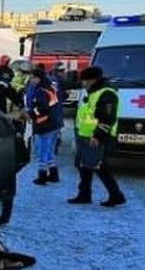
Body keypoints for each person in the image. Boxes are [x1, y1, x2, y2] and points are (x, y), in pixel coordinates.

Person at [68, 66, 126, 207]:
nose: (83, 83)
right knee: (84, 165)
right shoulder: (94, 92)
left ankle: (116, 195)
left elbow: (107, 118)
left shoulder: (107, 93)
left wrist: (98, 136)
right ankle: (84, 194)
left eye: (85, 80)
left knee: (99, 166)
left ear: (93, 80)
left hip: (96, 137)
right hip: (85, 134)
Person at [27, 67, 62, 185]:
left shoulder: (40, 91)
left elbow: (41, 109)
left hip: (45, 125)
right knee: (50, 151)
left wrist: (31, 114)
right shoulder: (51, 88)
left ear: (38, 78)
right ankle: (53, 174)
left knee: (42, 151)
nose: (31, 80)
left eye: (32, 77)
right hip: (55, 123)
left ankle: (42, 176)